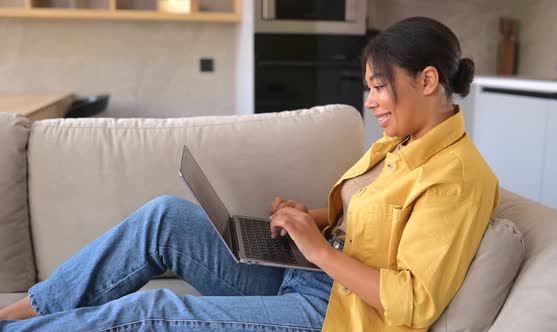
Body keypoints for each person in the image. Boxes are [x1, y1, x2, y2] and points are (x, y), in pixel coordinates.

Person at [0, 17, 498, 331]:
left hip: (335, 317)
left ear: (427, 80)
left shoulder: (454, 177)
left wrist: (318, 250)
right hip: (310, 276)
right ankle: (24, 312)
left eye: (378, 87)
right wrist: (311, 218)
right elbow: (367, 218)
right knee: (164, 217)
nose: (370, 101)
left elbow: (413, 303)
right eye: (369, 87)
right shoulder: (401, 143)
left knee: (153, 312)